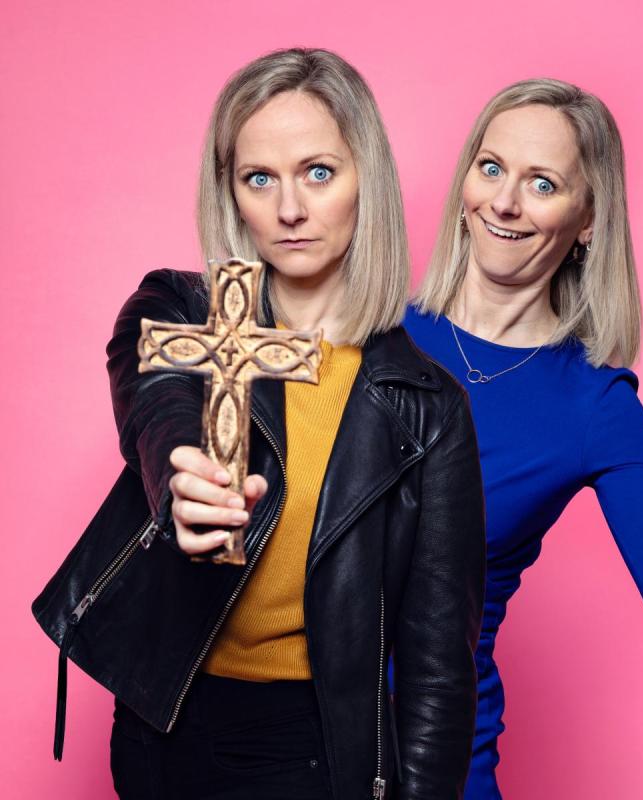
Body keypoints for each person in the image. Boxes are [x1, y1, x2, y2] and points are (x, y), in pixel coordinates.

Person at [33, 48, 485, 800]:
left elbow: (439, 666)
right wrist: (182, 472)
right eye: (258, 179)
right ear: (230, 193)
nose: (289, 211)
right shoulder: (181, 310)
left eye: (318, 172)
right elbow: (157, 397)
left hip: (305, 743)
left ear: (364, 179)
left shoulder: (426, 407)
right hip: (162, 723)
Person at [403, 78, 643, 799]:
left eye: (542, 183)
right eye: (491, 168)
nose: (504, 203)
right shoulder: (376, 327)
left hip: (440, 763)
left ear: (590, 220)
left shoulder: (592, 403)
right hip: (293, 740)